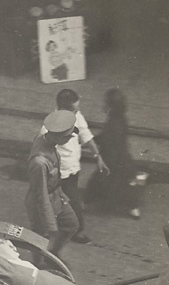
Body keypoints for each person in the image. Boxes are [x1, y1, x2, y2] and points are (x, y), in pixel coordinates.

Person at [40, 89, 109, 244]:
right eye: (74, 109)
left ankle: (62, 226)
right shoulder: (49, 127)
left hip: (73, 167)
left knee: (68, 199)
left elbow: (86, 136)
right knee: (69, 200)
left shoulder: (76, 116)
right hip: (58, 170)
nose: (77, 112)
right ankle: (73, 230)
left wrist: (97, 156)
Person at [25, 110, 80, 261]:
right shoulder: (39, 163)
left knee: (71, 225)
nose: (70, 138)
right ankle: (37, 265)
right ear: (57, 136)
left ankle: (52, 255)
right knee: (40, 238)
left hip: (56, 195)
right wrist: (52, 227)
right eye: (67, 136)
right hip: (41, 203)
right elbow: (41, 197)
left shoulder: (45, 139)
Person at [85, 88, 146, 219]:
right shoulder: (121, 119)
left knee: (98, 181)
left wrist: (92, 142)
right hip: (123, 158)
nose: (103, 105)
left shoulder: (112, 124)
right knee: (126, 184)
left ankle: (87, 202)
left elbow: (107, 140)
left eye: (105, 103)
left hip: (111, 159)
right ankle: (133, 209)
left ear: (111, 107)